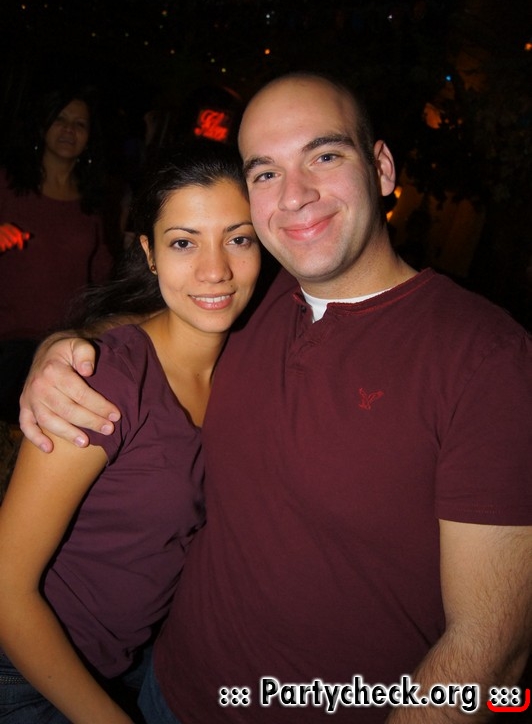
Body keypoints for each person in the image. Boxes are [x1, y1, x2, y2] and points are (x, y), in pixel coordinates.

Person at [17, 72, 532, 723]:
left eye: (324, 155)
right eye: (265, 172)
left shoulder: (487, 359)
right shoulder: (254, 300)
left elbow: (489, 655)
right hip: (162, 690)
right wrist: (66, 348)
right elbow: (165, 319)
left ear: (380, 167)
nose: (295, 194)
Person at [0, 142, 261, 723]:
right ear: (149, 252)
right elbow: (5, 588)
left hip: (128, 661)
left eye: (238, 239)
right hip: (27, 678)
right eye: (184, 242)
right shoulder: (106, 380)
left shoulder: (247, 363)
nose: (215, 269)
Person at [0, 86, 117, 423]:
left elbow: (102, 275)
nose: (69, 129)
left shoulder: (93, 201)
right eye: (61, 120)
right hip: (7, 339)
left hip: (64, 342)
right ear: (43, 125)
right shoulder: (7, 183)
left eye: (80, 124)